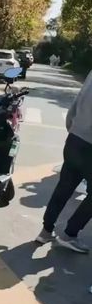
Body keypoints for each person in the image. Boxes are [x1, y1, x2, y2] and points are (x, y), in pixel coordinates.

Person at [37, 70, 92, 253]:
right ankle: (70, 234)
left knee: (64, 187)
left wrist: (73, 128)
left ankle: (46, 231)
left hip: (75, 138)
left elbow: (78, 100)